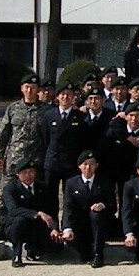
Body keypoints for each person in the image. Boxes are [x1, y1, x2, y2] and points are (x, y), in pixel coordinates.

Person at [0, 73, 47, 240]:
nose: (30, 90)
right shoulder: (13, 109)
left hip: (36, 162)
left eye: (33, 88)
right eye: (27, 87)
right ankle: (0, 227)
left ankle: (36, 230)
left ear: (38, 90)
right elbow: (4, 133)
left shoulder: (45, 110)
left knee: (36, 197)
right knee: (5, 194)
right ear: (22, 89)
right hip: (14, 161)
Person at [61, 150, 117, 267]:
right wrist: (67, 228)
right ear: (79, 166)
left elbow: (112, 205)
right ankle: (85, 251)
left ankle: (98, 254)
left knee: (96, 215)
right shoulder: (71, 183)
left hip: (98, 223)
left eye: (91, 164)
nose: (88, 167)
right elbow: (68, 207)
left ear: (97, 165)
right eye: (85, 164)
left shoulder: (105, 182)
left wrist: (102, 205)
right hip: (79, 223)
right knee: (74, 241)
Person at [1, 159, 60, 267]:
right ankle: (17, 254)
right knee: (20, 221)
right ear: (18, 174)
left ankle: (33, 248)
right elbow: (14, 209)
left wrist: (54, 228)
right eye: (24, 172)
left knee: (55, 247)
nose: (28, 175)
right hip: (16, 225)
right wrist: (37, 213)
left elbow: (51, 209)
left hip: (37, 225)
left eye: (31, 171)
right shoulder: (10, 189)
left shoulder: (42, 187)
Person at [41, 81, 86, 218]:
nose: (65, 97)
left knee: (70, 197)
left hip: (71, 163)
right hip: (53, 162)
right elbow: (45, 139)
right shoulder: (49, 115)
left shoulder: (80, 116)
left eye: (69, 94)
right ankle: (52, 225)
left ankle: (69, 224)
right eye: (63, 94)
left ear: (73, 97)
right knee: (50, 196)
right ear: (57, 97)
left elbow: (82, 141)